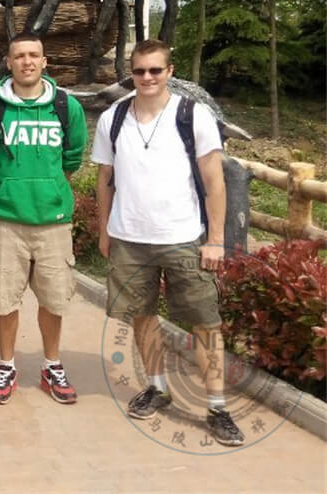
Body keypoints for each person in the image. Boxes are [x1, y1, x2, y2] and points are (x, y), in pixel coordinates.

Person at [91, 39, 244, 446]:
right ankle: (157, 387)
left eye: (155, 70)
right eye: (140, 71)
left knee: (205, 323)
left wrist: (215, 240)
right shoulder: (113, 119)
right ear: (131, 74)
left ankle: (217, 407)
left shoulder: (192, 115)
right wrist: (104, 230)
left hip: (183, 237)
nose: (147, 78)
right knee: (141, 317)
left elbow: (214, 181)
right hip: (128, 238)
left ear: (170, 72)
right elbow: (104, 180)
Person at [0, 32, 87, 406]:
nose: (27, 62)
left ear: (44, 61)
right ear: (8, 62)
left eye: (34, 55)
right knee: (4, 299)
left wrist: (48, 189)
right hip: (6, 222)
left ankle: (51, 365)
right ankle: (6, 365)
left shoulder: (66, 106)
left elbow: (72, 157)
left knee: (54, 300)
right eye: (19, 55)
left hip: (53, 222)